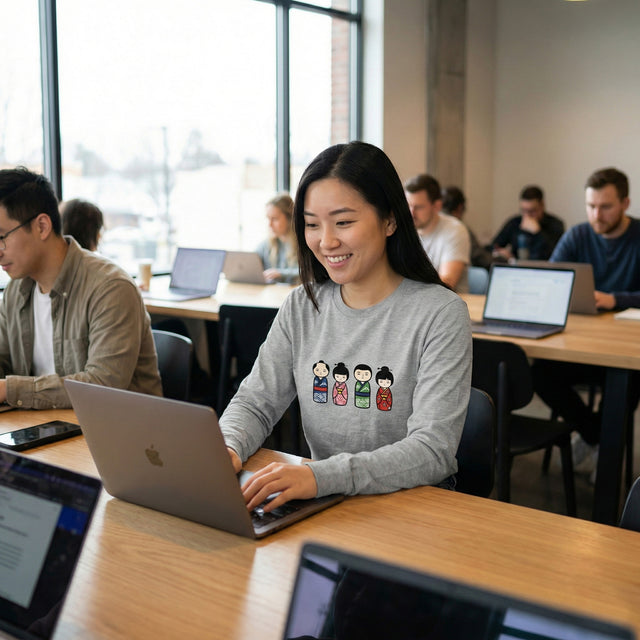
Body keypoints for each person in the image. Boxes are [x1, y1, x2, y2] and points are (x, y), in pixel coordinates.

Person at [220, 142, 472, 514]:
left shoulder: (440, 313)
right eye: (311, 225)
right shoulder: (302, 305)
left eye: (343, 222)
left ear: (389, 220)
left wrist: (321, 477)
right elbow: (256, 402)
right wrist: (226, 448)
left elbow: (432, 449)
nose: (326, 241)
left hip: (412, 511)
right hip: (325, 505)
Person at [0, 167, 162, 409]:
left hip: (122, 434)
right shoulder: (16, 291)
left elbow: (103, 385)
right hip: (48, 428)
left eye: (1, 238)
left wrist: (9, 389)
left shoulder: (110, 288)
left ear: (42, 226)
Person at [532, 167, 640, 479]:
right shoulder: (578, 234)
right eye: (591, 206)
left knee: (628, 381)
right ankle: (597, 437)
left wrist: (615, 299)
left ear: (625, 203)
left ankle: (602, 456)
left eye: (605, 207)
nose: (597, 215)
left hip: (626, 347)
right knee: (539, 372)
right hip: (583, 341)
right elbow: (551, 281)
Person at [404, 173, 470, 292]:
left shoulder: (454, 230)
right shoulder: (404, 230)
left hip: (448, 305)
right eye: (408, 205)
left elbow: (447, 283)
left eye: (418, 207)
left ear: (437, 206)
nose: (411, 213)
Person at [491, 185, 564, 261]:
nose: (527, 215)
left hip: (544, 269)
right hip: (517, 269)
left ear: (542, 205)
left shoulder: (555, 224)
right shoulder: (514, 223)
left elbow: (557, 255)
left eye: (531, 211)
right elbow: (493, 245)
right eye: (523, 210)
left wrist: (538, 232)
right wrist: (500, 252)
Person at [441, 185, 492, 270]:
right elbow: (480, 258)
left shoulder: (432, 226)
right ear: (460, 207)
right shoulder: (459, 229)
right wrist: (501, 259)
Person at [255, 193, 299, 283]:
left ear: (289, 218)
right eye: (268, 219)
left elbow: (310, 272)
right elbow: (251, 262)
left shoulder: (304, 245)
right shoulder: (266, 245)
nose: (269, 224)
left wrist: (281, 273)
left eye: (274, 219)